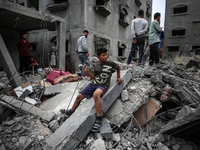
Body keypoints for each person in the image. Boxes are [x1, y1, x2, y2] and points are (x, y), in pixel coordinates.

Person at [60, 47, 122, 132]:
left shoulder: (110, 63)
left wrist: (118, 77)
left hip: (103, 85)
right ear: (98, 57)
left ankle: (99, 118)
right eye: (103, 55)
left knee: (96, 94)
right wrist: (87, 71)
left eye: (106, 54)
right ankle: (71, 111)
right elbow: (94, 77)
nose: (106, 56)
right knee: (79, 97)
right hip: (94, 84)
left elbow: (118, 67)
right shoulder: (97, 66)